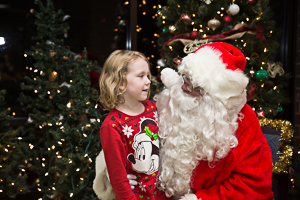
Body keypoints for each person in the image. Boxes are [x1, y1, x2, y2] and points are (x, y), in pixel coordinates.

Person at [154, 42, 274, 200]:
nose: (183, 88)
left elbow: (253, 184)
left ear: (215, 94)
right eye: (184, 78)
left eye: (194, 85)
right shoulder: (167, 105)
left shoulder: (243, 123)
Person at [94, 50, 168, 200]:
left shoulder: (154, 108)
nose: (148, 81)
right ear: (121, 83)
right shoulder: (112, 126)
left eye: (148, 75)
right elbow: (118, 179)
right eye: (141, 76)